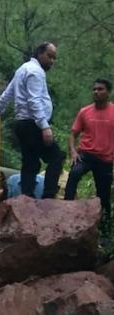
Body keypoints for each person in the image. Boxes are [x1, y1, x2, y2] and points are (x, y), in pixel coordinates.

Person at [0, 42, 66, 198]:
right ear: (39, 53)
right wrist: (44, 127)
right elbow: (33, 100)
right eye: (49, 56)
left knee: (30, 162)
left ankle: (26, 196)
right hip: (32, 124)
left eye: (54, 58)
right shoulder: (35, 72)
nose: (52, 61)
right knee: (56, 156)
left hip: (22, 124)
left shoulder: (23, 69)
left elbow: (8, 92)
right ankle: (48, 196)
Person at [64, 79, 114, 236]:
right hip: (85, 155)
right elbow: (73, 134)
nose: (96, 92)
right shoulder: (84, 111)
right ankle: (64, 215)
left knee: (103, 196)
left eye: (100, 89)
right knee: (73, 175)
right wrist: (73, 152)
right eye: (94, 89)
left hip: (105, 159)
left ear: (108, 92)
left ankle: (105, 231)